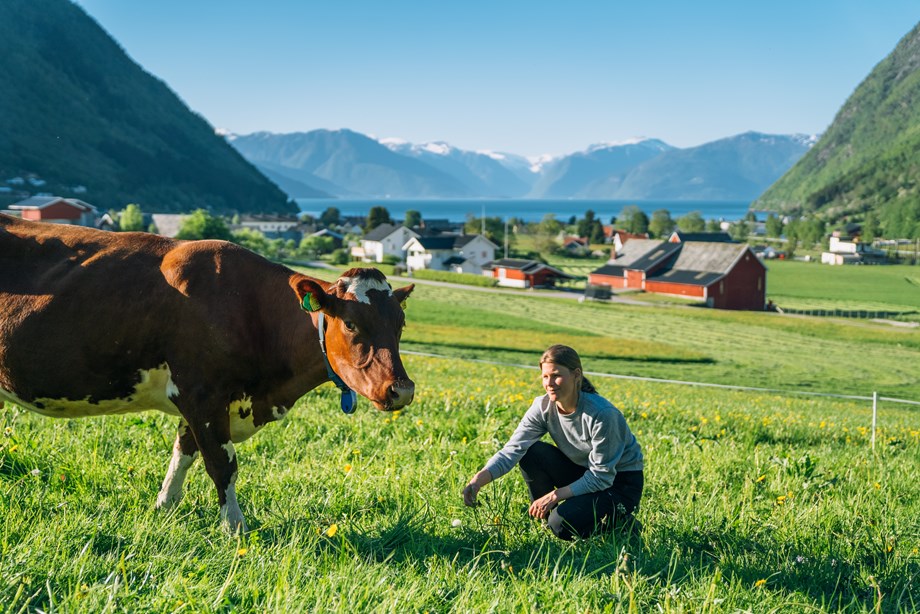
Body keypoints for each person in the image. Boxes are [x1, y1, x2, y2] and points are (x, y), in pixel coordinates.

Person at [461, 345, 644, 540]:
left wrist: (554, 496)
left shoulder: (602, 414)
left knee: (562, 526)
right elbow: (512, 451)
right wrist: (478, 480)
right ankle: (548, 519)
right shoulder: (542, 406)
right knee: (531, 453)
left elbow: (602, 477)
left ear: (576, 375)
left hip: (619, 484)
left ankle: (622, 526)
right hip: (583, 472)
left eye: (556, 375)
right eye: (545, 376)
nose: (550, 383)